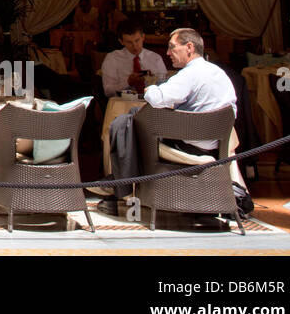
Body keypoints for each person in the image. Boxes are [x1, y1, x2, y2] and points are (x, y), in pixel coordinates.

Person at [100, 27, 238, 214]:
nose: (167, 53)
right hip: (215, 143)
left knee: (127, 123)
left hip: (189, 144)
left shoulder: (189, 74)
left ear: (189, 47)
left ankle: (121, 187)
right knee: (133, 118)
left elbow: (157, 98)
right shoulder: (219, 73)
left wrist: (150, 89)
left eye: (172, 47)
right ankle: (121, 182)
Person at [100, 22, 168, 96]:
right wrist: (128, 82)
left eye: (137, 40)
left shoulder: (155, 58)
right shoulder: (112, 58)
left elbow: (165, 87)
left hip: (150, 102)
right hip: (123, 102)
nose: (135, 46)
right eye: (129, 42)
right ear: (121, 42)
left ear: (143, 37)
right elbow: (108, 92)